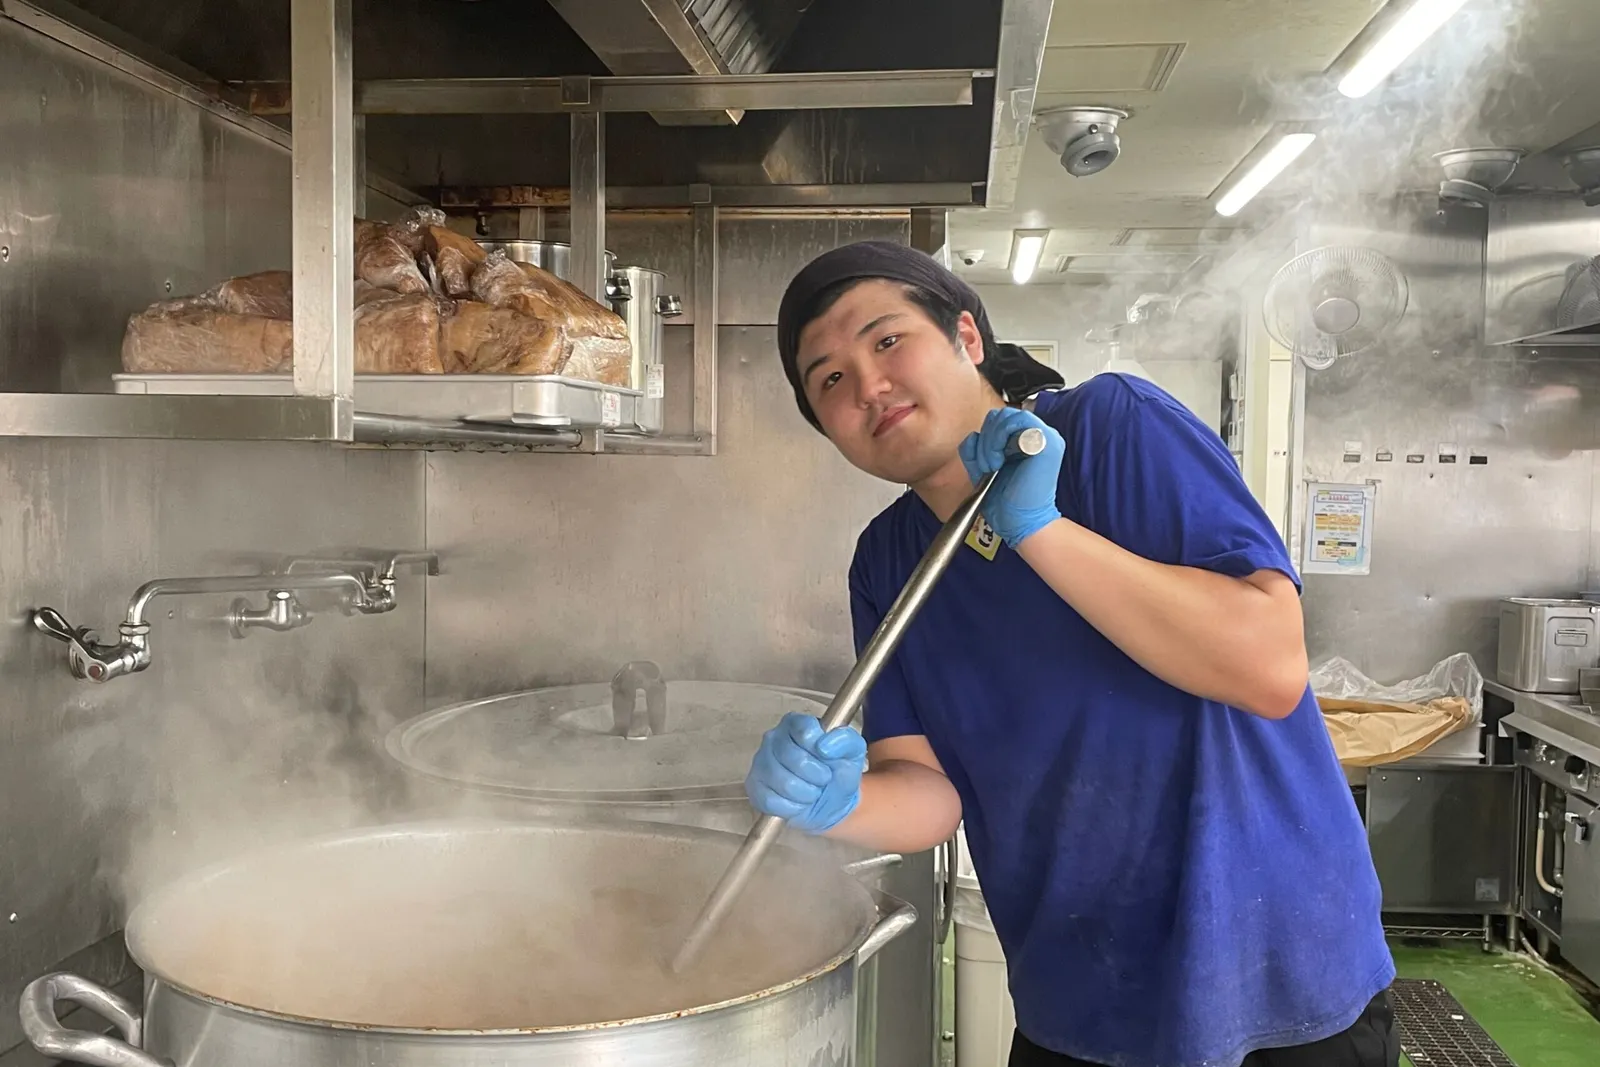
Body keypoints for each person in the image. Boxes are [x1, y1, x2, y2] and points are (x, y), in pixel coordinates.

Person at [744, 241, 1398, 1067]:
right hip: (1082, 1000)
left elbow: (1268, 667)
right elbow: (930, 789)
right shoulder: (887, 562)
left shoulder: (1115, 430)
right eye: (828, 378)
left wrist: (1040, 531)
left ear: (968, 338)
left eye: (886, 340)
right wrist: (836, 805)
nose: (868, 385)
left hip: (1279, 983)